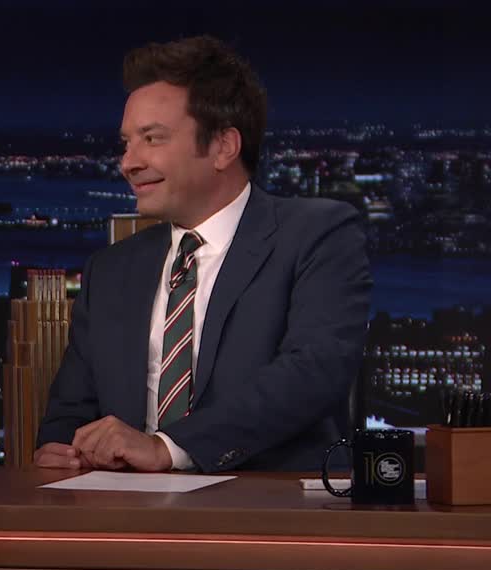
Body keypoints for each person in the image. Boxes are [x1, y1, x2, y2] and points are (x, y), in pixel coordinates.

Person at [35, 36, 372, 473]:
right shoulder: (110, 270)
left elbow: (312, 373)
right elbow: (69, 414)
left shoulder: (317, 235)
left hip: (268, 506)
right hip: (122, 509)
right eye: (126, 143)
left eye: (152, 138)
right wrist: (61, 451)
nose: (128, 163)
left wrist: (168, 448)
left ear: (223, 147)